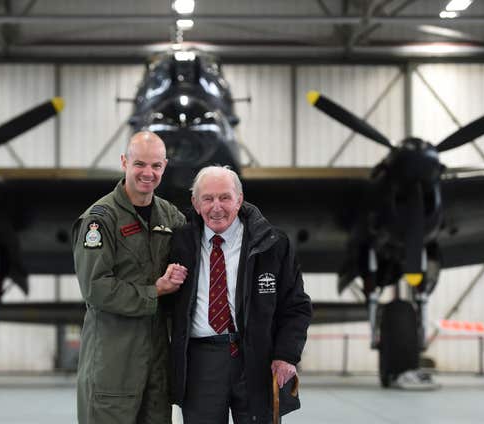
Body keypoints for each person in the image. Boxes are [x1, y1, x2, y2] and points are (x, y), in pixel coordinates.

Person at [169, 165, 312, 423]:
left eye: (225, 197)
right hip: (201, 362)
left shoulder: (273, 244)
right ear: (195, 202)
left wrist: (286, 355)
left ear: (239, 199)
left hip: (257, 360)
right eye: (208, 198)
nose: (216, 207)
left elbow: (296, 306)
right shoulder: (176, 244)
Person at [72, 131, 187, 424]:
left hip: (156, 367)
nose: (148, 173)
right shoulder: (100, 220)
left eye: (156, 166)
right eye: (139, 164)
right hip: (112, 364)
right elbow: (96, 288)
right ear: (124, 162)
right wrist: (155, 291)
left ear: (164, 166)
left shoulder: (169, 217)